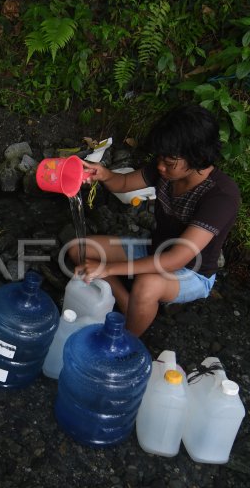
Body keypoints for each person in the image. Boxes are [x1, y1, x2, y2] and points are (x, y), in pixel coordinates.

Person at [69, 104, 240, 336]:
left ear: (197, 157)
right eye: (160, 158)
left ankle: (125, 341)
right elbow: (125, 183)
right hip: (154, 250)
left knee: (147, 285)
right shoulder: (166, 170)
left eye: (169, 163)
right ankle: (127, 302)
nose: (160, 166)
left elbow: (176, 258)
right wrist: (104, 175)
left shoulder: (221, 196)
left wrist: (107, 268)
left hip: (192, 271)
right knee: (79, 248)